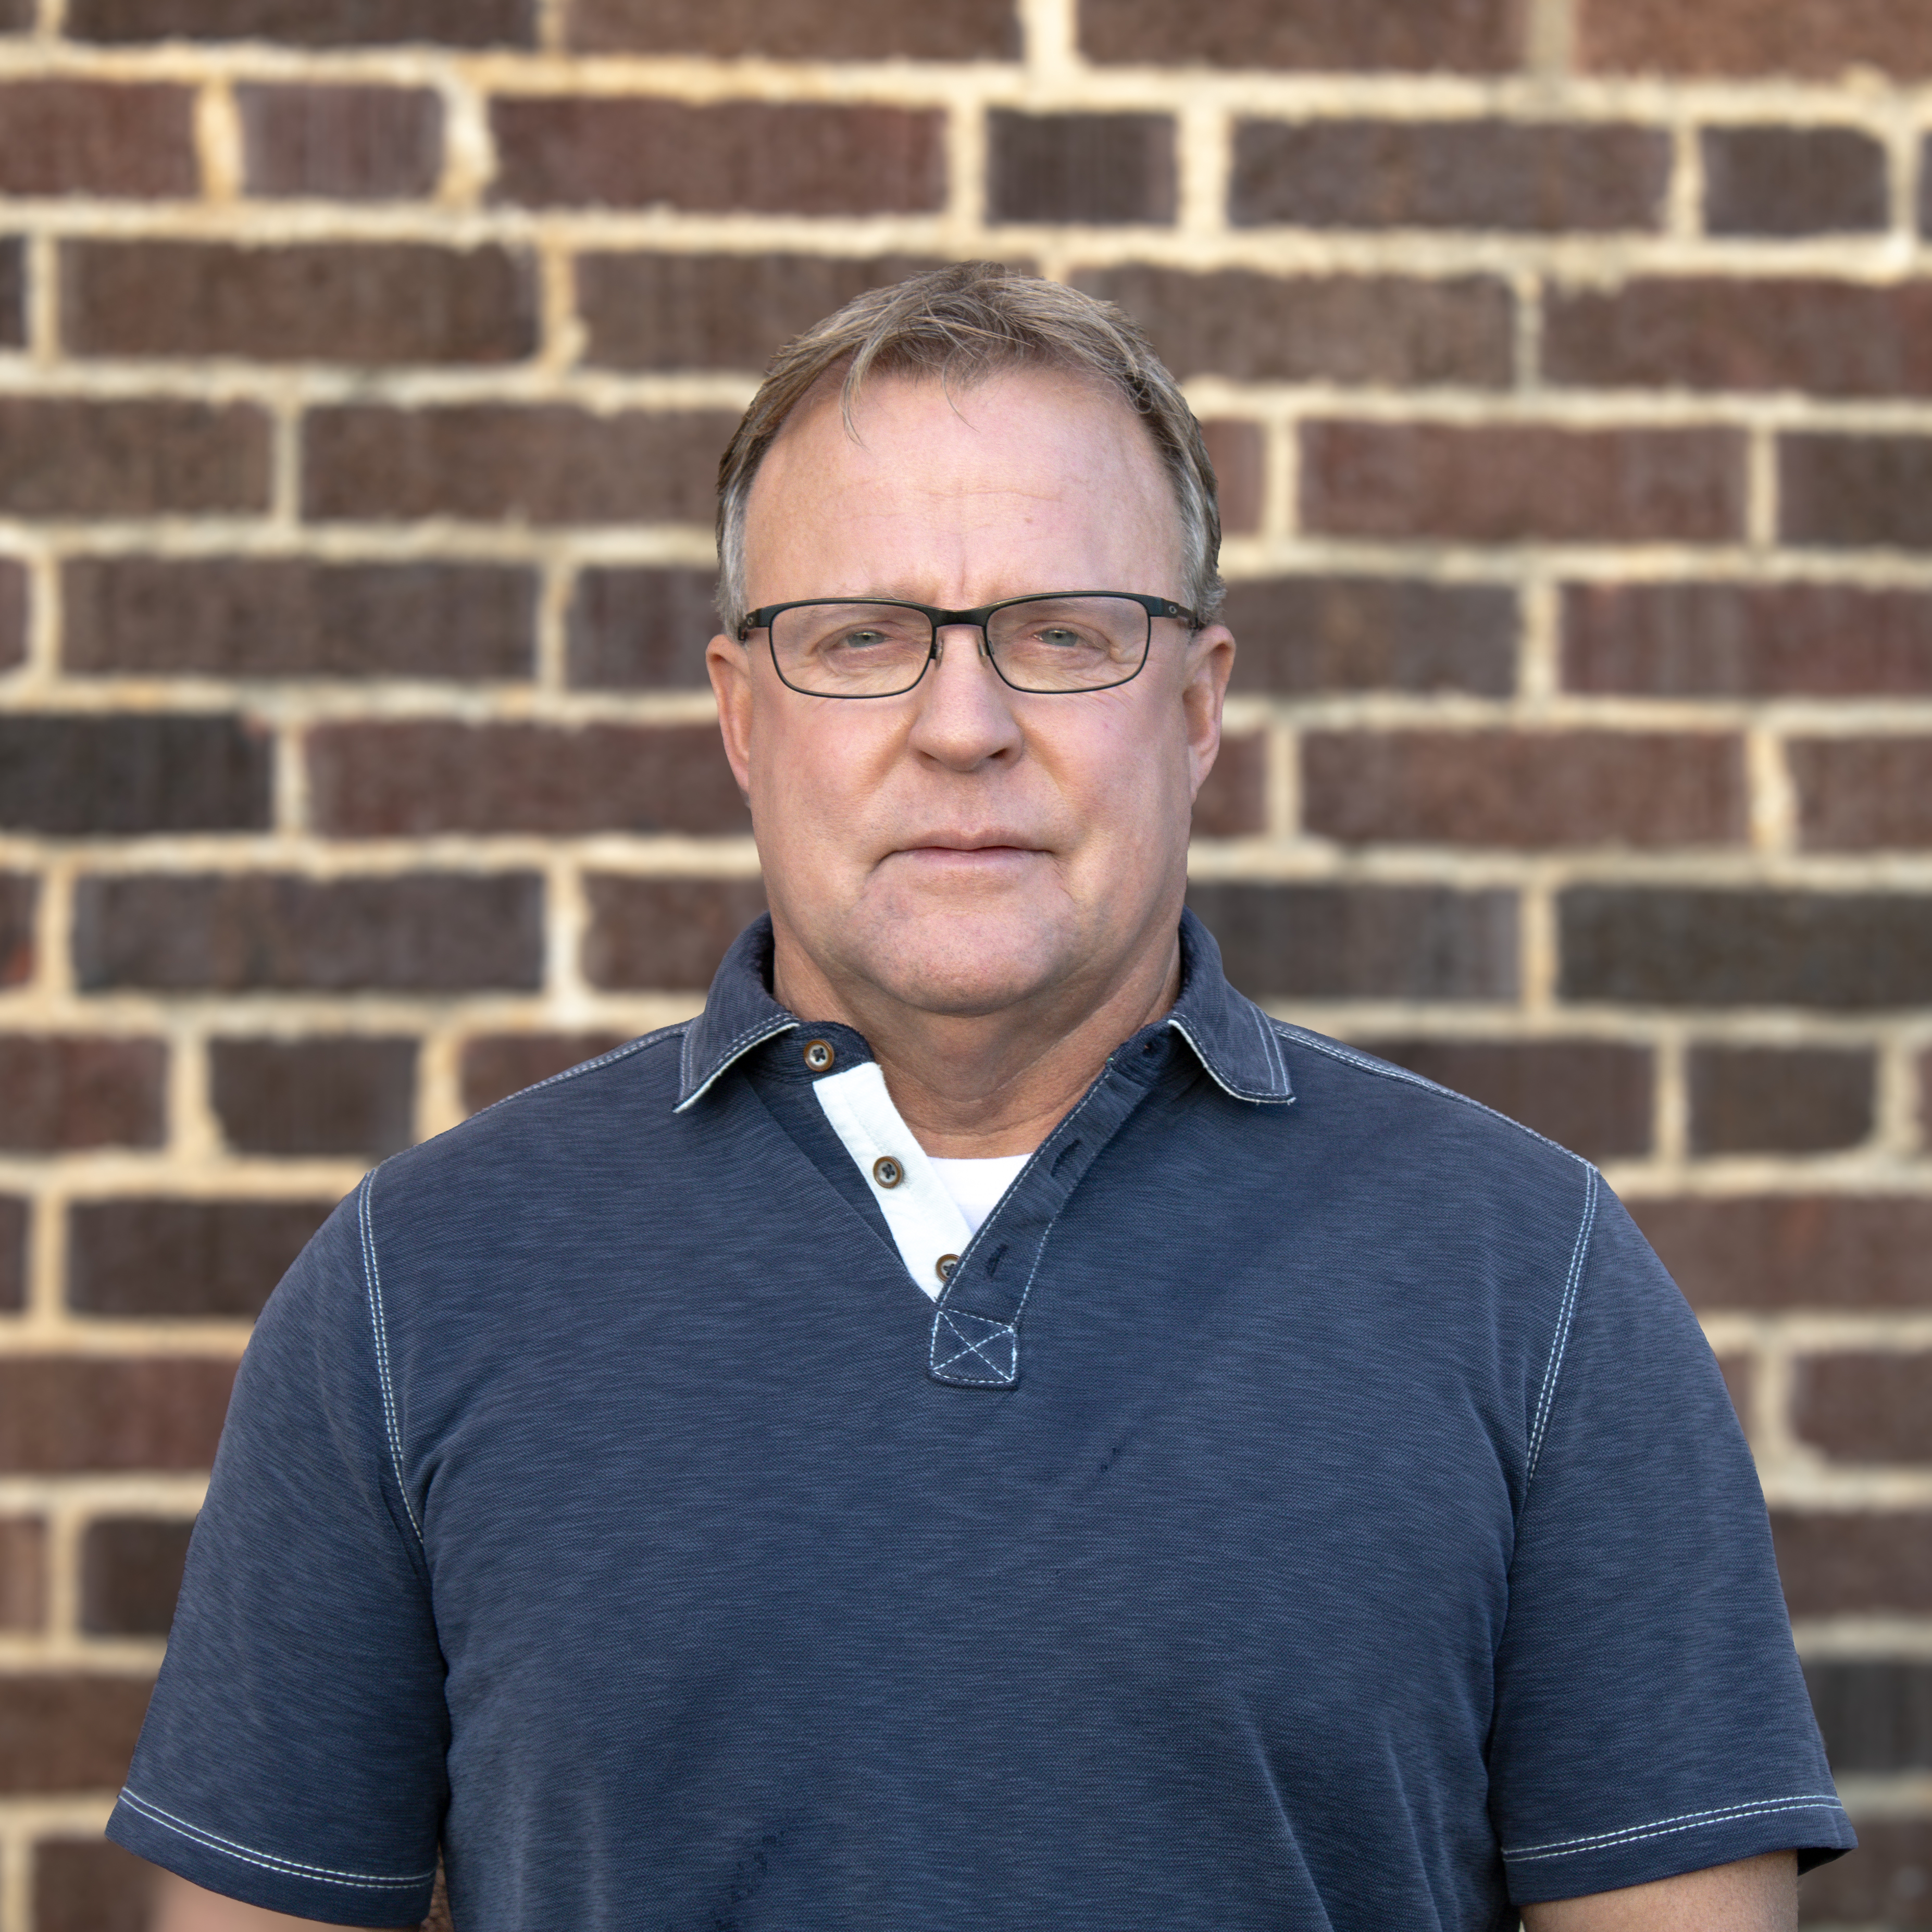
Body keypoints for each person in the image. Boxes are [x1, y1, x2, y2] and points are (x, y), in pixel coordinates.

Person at [112, 264, 1852, 1931]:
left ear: (1198, 705)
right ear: (741, 716)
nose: (963, 724)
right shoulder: (419, 1285)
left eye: (1063, 633)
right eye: (861, 636)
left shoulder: (1528, 1281)